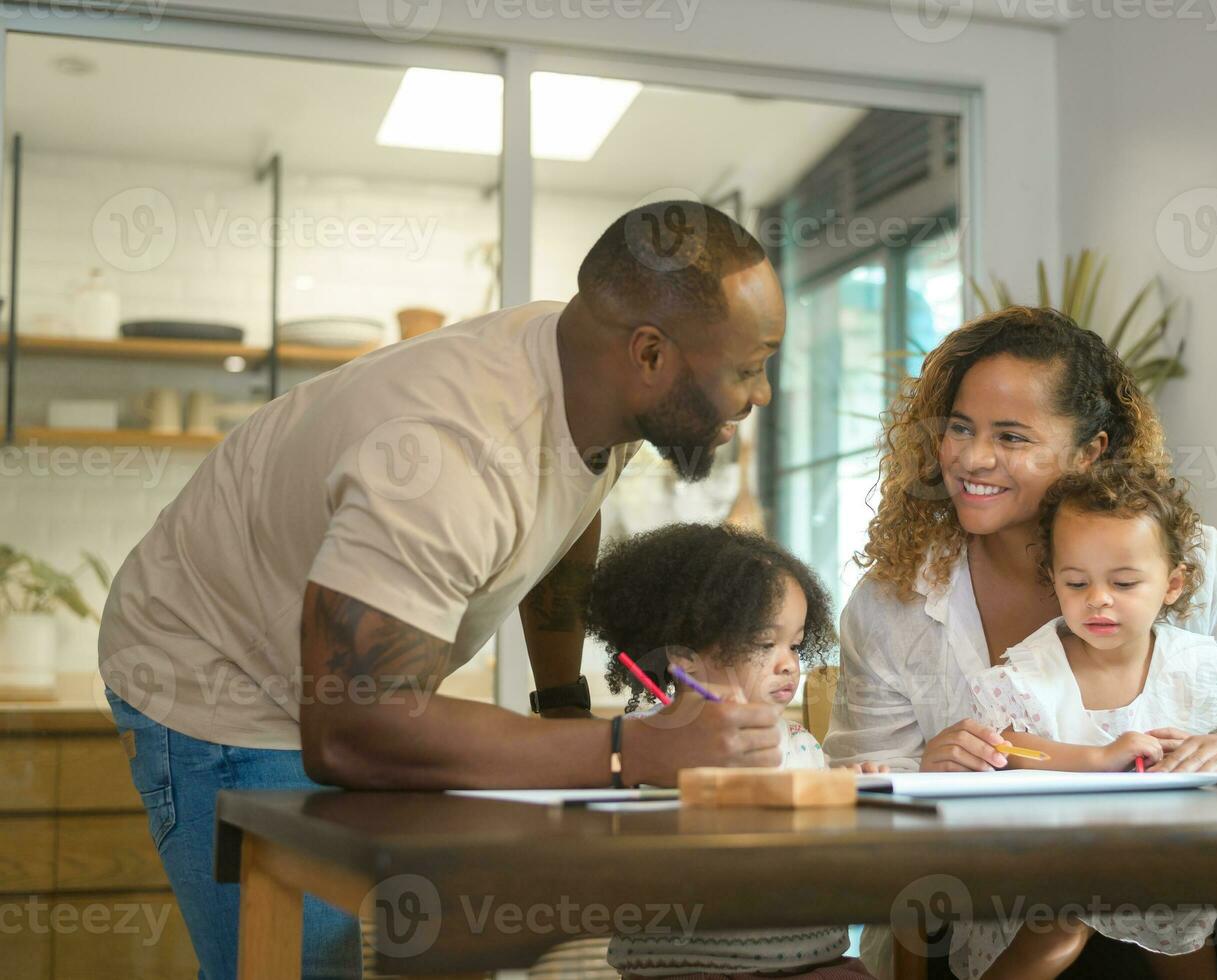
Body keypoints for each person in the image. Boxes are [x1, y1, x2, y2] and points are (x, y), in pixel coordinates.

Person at [97, 201, 789, 980]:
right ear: (651, 355)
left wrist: (561, 700)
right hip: (214, 669)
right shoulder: (446, 455)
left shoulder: (591, 375)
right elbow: (353, 729)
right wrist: (633, 749)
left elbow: (566, 520)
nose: (760, 393)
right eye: (749, 366)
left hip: (337, 683)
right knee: (308, 963)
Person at [823, 306, 1217, 980]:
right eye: (959, 427)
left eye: (1010, 436)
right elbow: (848, 802)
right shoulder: (893, 599)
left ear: (1089, 452)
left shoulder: (1181, 561)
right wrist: (922, 771)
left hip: (1178, 899)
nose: (969, 458)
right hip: (990, 917)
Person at [961, 461, 1217, 980]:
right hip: (1052, 861)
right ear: (1053, 579)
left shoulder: (1201, 671)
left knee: (1180, 928)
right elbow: (1004, 749)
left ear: (1173, 584)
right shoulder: (1029, 674)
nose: (1098, 599)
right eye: (1076, 582)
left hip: (1161, 861)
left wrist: (1199, 754)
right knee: (1055, 928)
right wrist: (1095, 759)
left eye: (1124, 582)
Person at [586, 522, 882, 978]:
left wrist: (854, 799)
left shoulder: (803, 747)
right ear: (684, 659)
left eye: (796, 645)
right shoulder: (638, 747)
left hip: (810, 963)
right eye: (765, 644)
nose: (789, 664)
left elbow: (837, 858)